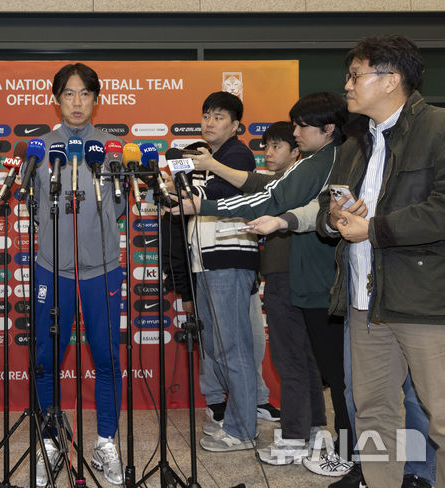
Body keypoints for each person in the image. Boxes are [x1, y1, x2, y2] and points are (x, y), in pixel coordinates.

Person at [171, 93, 354, 466]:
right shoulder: (316, 162)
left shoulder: (329, 160)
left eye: (300, 128)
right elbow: (280, 195)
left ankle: (319, 442)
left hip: (312, 276)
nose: (296, 133)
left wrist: (203, 204)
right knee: (311, 361)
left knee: (318, 365)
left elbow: (269, 196)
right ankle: (317, 434)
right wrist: (285, 218)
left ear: (329, 129)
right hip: (298, 273)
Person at [316, 34, 445, 488]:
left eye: (356, 75)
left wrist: (372, 229)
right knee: (371, 412)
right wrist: (334, 221)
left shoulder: (438, 129)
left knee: (442, 417)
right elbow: (326, 214)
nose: (347, 85)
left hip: (425, 301)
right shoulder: (354, 144)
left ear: (391, 80)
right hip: (364, 300)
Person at [31, 63, 125, 486]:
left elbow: (120, 208)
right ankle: (51, 441)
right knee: (46, 359)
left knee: (106, 358)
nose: (76, 102)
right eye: (68, 94)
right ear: (56, 99)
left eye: (85, 94)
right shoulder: (39, 149)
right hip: (53, 270)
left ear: (96, 100)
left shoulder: (110, 149)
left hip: (102, 271)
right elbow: (34, 210)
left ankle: (106, 441)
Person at [184, 91, 260, 453]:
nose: (209, 123)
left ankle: (243, 430)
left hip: (229, 260)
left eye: (218, 117)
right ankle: (234, 419)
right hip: (209, 262)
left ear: (235, 125)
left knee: (234, 348)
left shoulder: (236, 154)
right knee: (217, 346)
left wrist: (187, 186)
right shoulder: (214, 158)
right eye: (206, 116)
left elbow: (217, 192)